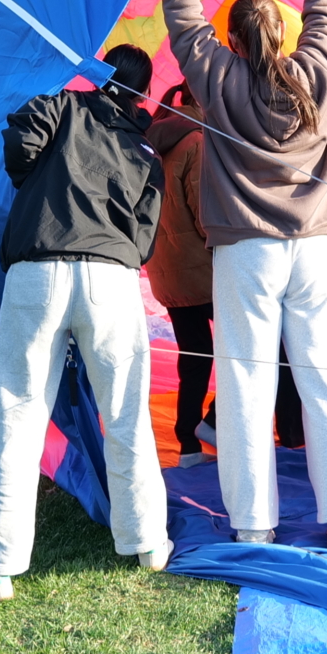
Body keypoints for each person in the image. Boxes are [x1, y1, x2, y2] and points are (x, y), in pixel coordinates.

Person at [163, 0, 327, 549]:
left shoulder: (218, 76)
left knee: (247, 382)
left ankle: (254, 524)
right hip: (314, 247)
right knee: (324, 380)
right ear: (285, 34)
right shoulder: (319, 71)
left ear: (233, 39)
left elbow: (184, 25)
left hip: (246, 249)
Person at [0, 44, 170, 603]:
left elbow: (20, 142)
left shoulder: (61, 106)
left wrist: (36, 183)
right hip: (111, 278)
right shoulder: (143, 149)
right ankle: (148, 542)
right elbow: (144, 239)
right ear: (143, 93)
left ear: (98, 74)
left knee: (18, 414)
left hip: (37, 269)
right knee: (126, 413)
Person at [144, 83, 217, 468]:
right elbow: (205, 213)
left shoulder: (151, 140)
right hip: (202, 270)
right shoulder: (197, 141)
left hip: (165, 269)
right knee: (254, 347)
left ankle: (188, 442)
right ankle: (215, 422)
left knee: (195, 355)